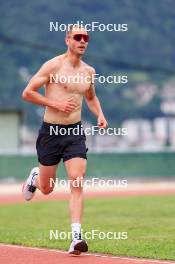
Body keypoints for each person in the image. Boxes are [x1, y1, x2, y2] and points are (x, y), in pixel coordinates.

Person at [22, 24, 108, 255]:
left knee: (77, 180)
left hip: (74, 132)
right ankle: (35, 177)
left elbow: (91, 97)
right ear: (67, 40)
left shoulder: (89, 71)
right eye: (78, 37)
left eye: (86, 37)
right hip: (50, 132)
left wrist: (99, 114)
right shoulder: (53, 65)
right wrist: (56, 104)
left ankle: (76, 237)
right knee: (47, 188)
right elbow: (28, 92)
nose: (83, 41)